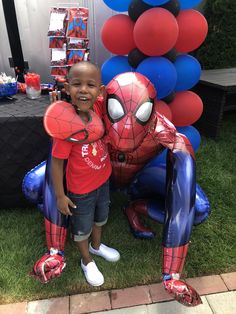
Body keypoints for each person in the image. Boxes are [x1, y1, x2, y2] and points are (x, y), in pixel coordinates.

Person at [51, 61, 120, 287]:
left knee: (101, 218)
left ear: (99, 92)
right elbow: (57, 163)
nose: (83, 89)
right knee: (82, 227)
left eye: (91, 85)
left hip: (103, 179)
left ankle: (96, 247)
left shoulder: (98, 110)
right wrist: (61, 196)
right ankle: (86, 260)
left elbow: (113, 91)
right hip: (81, 190)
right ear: (67, 88)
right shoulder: (65, 126)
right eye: (76, 84)